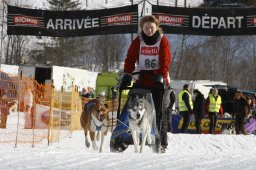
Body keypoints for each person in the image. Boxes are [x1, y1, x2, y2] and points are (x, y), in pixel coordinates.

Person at [121, 15, 171, 153]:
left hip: (158, 80)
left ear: (157, 28)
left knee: (159, 112)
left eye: (152, 27)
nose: (149, 30)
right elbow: (130, 58)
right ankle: (124, 135)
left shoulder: (162, 40)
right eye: (146, 27)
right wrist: (127, 74)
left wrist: (160, 74)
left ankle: (161, 142)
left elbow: (166, 59)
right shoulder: (138, 41)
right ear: (142, 28)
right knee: (131, 105)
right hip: (142, 78)